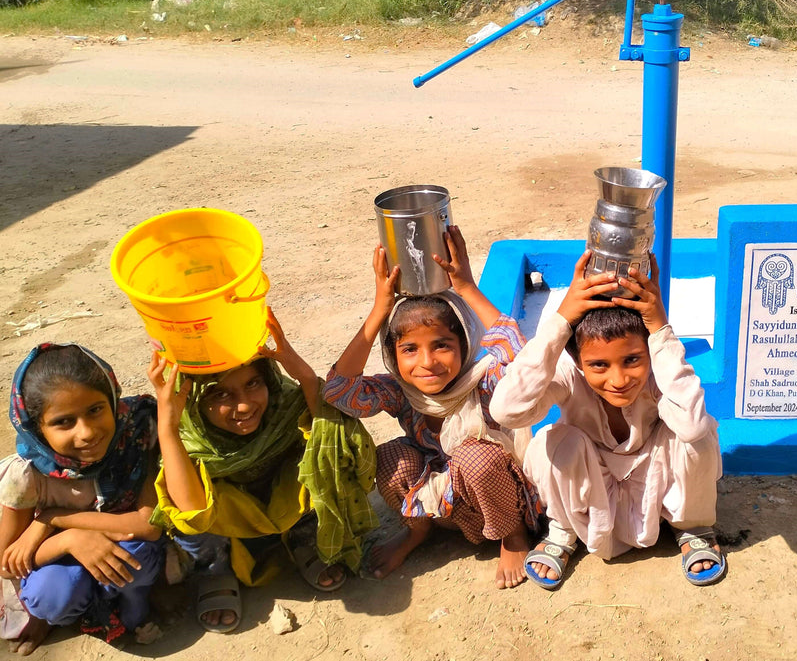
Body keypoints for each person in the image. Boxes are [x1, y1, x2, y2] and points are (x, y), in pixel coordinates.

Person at [490, 251, 725, 589]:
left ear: (649, 348)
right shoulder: (569, 372)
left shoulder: (661, 366)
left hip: (653, 481)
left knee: (698, 432)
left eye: (632, 359)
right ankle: (563, 529)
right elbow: (506, 411)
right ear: (577, 358)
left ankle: (692, 525)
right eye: (599, 365)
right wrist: (561, 321)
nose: (619, 379)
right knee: (548, 443)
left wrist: (660, 330)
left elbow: (692, 425)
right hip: (592, 488)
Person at [325, 225, 541, 589]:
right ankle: (418, 531)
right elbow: (339, 392)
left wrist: (467, 288)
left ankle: (513, 536)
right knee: (392, 455)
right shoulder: (400, 390)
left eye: (442, 345)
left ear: (465, 344)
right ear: (393, 354)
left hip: (493, 496)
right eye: (410, 349)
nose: (427, 362)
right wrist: (380, 309)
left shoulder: (483, 379)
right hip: (445, 505)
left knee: (476, 457)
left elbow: (523, 359)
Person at [149, 309, 377, 633]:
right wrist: (167, 429)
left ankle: (303, 535)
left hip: (282, 506)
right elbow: (192, 514)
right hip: (227, 526)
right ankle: (216, 567)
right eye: (221, 394)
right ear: (195, 400)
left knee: (329, 446)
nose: (244, 405)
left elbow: (341, 443)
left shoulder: (284, 408)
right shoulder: (189, 437)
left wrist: (303, 373)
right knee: (181, 500)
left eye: (254, 383)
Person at [0, 344, 163, 654]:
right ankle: (74, 612)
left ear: (113, 400)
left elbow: (148, 524)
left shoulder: (140, 431)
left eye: (96, 409)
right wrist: (69, 540)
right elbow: (6, 564)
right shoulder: (26, 475)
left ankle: (136, 597)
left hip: (124, 549)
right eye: (64, 421)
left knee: (138, 555)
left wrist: (53, 518)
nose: (87, 432)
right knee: (51, 595)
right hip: (61, 562)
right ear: (36, 428)